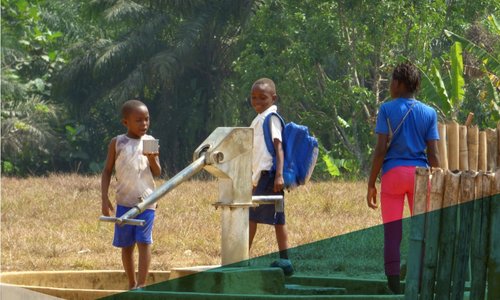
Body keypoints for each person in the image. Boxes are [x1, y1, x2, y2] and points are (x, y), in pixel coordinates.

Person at [366, 63, 440, 294]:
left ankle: (394, 286)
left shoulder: (386, 109)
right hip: (421, 176)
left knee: (393, 232)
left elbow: (379, 150)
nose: (390, 85)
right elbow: (434, 154)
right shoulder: (429, 113)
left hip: (393, 175)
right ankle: (421, 282)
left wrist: (371, 183)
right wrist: (439, 181)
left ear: (398, 84)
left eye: (391, 81)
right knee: (423, 231)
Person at [101, 99, 161, 290]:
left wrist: (152, 159)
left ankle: (141, 285)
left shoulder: (150, 142)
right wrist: (104, 198)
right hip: (124, 202)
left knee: (144, 242)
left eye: (146, 119)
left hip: (146, 202)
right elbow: (107, 171)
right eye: (138, 120)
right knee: (127, 246)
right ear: (125, 122)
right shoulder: (118, 143)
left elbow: (158, 172)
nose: (144, 124)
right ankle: (131, 282)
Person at [248, 78, 293, 276]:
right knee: (277, 219)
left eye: (263, 98)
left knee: (250, 218)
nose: (257, 101)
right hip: (261, 176)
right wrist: (253, 180)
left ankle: (241, 259)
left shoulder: (271, 118)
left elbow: (278, 148)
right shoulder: (258, 119)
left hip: (271, 175)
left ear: (273, 98)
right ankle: (286, 261)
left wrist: (279, 176)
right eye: (254, 97)